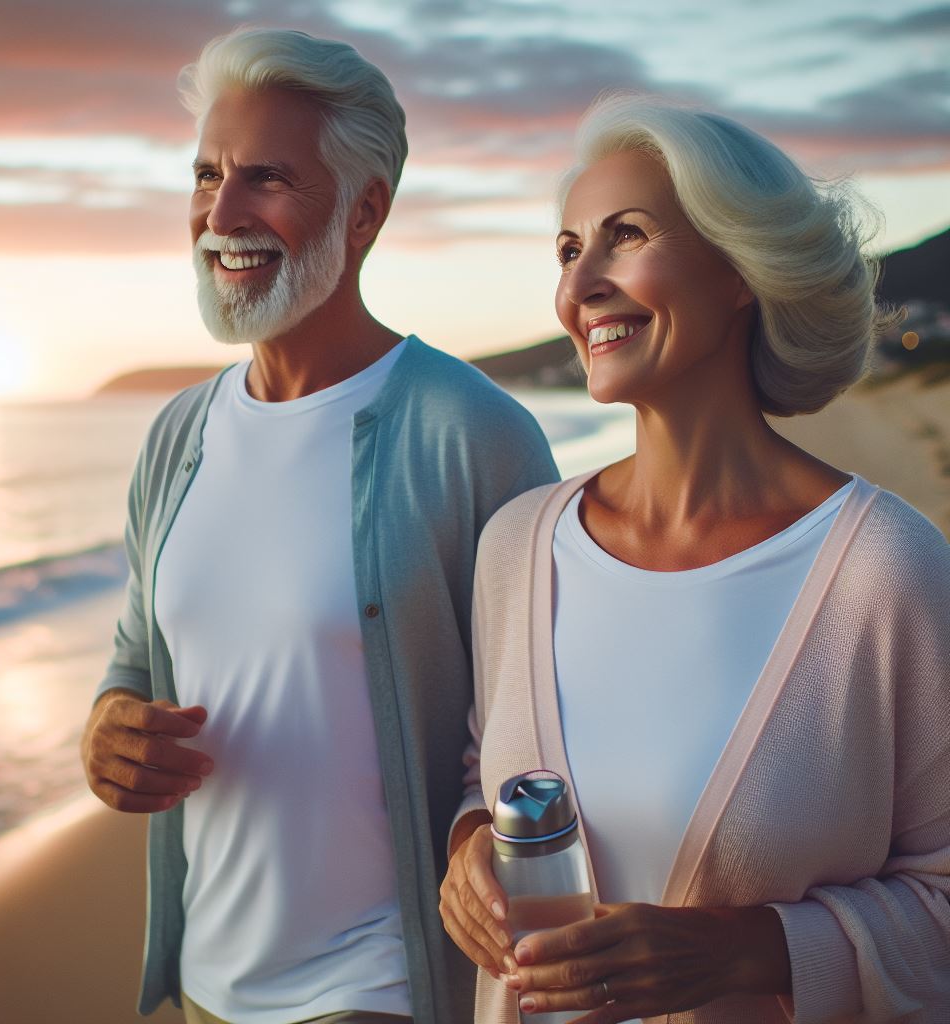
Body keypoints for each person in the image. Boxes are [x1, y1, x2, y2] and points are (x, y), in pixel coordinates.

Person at [80, 27, 559, 1024]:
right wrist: (107, 727)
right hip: (208, 983)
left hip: (380, 986)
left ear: (363, 211)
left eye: (265, 178)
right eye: (206, 175)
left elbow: (541, 722)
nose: (221, 214)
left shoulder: (474, 434)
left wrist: (485, 832)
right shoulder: (177, 435)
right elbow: (135, 656)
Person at [439, 94, 950, 1023]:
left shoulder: (885, 569)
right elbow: (487, 771)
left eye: (625, 236)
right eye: (567, 251)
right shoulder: (518, 545)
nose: (580, 285)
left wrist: (744, 951)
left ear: (740, 269)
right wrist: (471, 843)